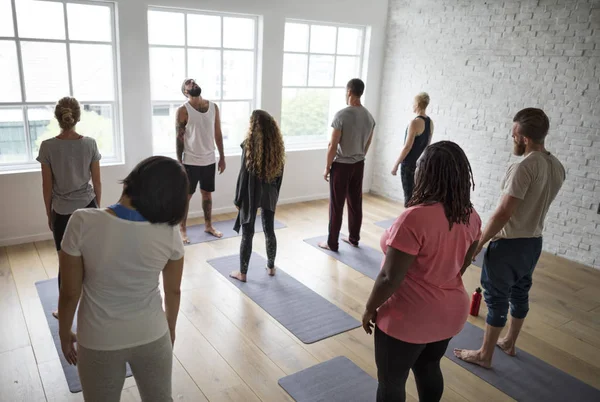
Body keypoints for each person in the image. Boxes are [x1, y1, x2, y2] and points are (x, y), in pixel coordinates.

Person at [57, 156, 188, 402]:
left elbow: (69, 292)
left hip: (98, 339)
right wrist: (169, 329)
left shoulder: (82, 221)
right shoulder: (169, 233)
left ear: (131, 181)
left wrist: (64, 332)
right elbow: (174, 292)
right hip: (152, 334)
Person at [362, 141, 481, 402]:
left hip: (408, 318)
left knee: (391, 381)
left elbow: (389, 278)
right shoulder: (471, 215)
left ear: (426, 173)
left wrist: (370, 308)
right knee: (428, 367)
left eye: (419, 166)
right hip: (450, 314)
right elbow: (464, 262)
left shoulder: (414, 217)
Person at [454, 108, 565, 368]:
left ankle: (484, 355)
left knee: (496, 296)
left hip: (509, 245)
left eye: (514, 133)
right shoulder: (556, 166)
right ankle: (509, 342)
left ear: (524, 138)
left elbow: (503, 213)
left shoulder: (525, 166)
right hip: (533, 243)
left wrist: (477, 245)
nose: (511, 136)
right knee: (520, 292)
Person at [37, 97, 101, 318]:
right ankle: (93, 307)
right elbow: (97, 182)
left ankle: (63, 310)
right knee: (91, 259)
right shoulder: (90, 143)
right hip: (88, 208)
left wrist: (49, 214)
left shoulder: (47, 147)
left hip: (62, 212)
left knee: (66, 263)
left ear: (58, 117)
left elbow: (47, 187)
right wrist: (97, 209)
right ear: (77, 117)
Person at [319, 78, 375, 251]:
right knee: (355, 202)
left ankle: (332, 243)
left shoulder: (342, 115)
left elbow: (333, 145)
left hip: (342, 166)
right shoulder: (369, 117)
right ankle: (354, 238)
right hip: (359, 164)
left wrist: (327, 167)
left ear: (349, 92)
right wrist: (358, 156)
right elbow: (367, 143)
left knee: (336, 205)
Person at [229, 110, 285, 282]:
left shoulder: (249, 145)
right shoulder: (277, 145)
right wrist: (275, 194)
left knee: (248, 233)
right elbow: (280, 175)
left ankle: (243, 273)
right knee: (269, 230)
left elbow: (243, 175)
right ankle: (271, 267)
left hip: (250, 193)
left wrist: (238, 199)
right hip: (269, 192)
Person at [176, 78, 226, 243]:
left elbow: (217, 133)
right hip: (191, 160)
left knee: (207, 194)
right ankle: (182, 229)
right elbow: (179, 138)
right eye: (189, 83)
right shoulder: (183, 110)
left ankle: (208, 225)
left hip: (209, 159)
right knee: (186, 196)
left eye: (194, 81)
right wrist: (179, 162)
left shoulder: (213, 107)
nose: (193, 83)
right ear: (185, 91)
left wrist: (222, 157)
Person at [391, 92, 434, 207]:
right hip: (421, 165)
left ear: (417, 105)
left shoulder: (414, 123)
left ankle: (408, 223)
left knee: (409, 197)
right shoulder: (430, 123)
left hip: (409, 165)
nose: (412, 105)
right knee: (418, 196)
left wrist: (396, 165)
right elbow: (427, 146)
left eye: (413, 103)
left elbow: (407, 147)